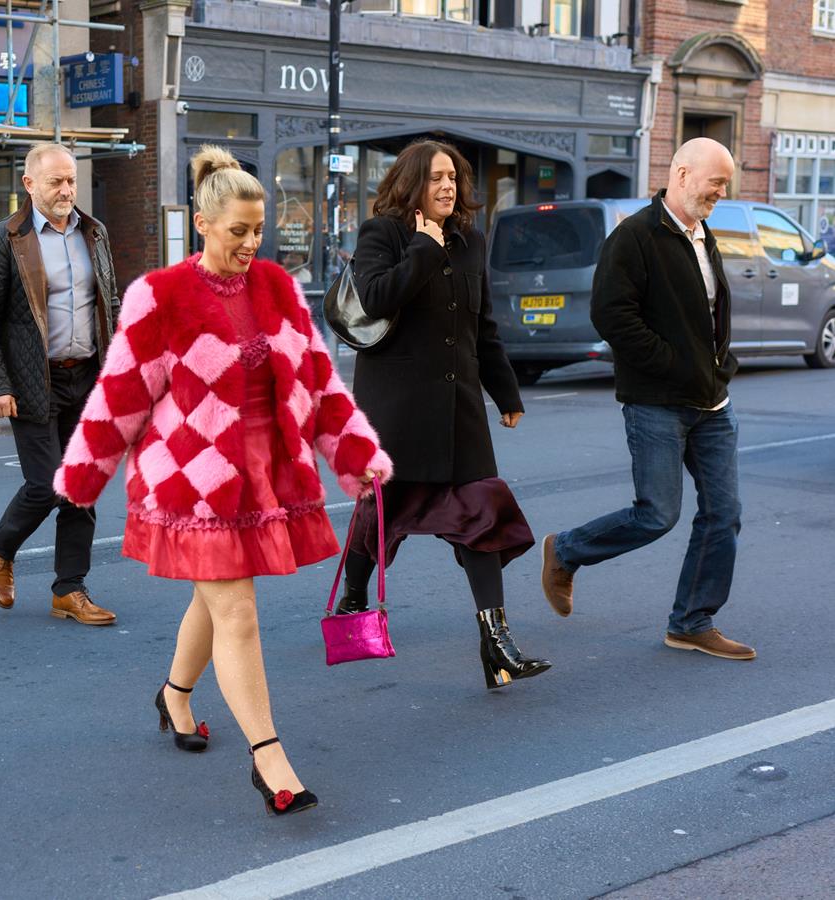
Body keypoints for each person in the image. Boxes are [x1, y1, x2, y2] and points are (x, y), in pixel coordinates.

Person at [54, 146, 392, 816]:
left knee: (214, 601)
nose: (250, 243)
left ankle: (174, 695)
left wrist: (356, 454)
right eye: (238, 230)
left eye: (258, 230)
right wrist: (82, 477)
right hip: (194, 484)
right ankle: (270, 758)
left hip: (265, 475)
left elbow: (319, 380)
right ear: (203, 224)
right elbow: (121, 393)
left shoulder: (278, 287)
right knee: (236, 610)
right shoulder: (160, 295)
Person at [338, 139, 551, 691]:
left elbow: (482, 328)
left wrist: (506, 393)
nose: (448, 186)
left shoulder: (471, 240)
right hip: (399, 413)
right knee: (380, 514)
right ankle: (354, 599)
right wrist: (424, 249)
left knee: (480, 514)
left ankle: (497, 645)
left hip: (458, 412)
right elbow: (375, 298)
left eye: (453, 177)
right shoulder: (383, 234)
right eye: (436, 177)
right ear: (412, 183)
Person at [540, 138, 753, 660]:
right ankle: (565, 550)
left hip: (712, 403)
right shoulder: (635, 236)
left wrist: (719, 366)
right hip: (657, 401)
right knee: (657, 514)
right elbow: (612, 315)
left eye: (725, 184)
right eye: (716, 182)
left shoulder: (702, 234)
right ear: (681, 174)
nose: (721, 193)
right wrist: (674, 364)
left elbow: (708, 314)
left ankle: (692, 622)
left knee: (724, 514)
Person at [0, 143, 121, 626]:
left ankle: (69, 590)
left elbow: (110, 305)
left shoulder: (94, 232)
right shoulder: (4, 238)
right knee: (46, 484)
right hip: (34, 380)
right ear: (29, 184)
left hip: (88, 376)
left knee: (82, 486)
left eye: (71, 180)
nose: (66, 190)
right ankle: (1, 546)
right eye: (56, 181)